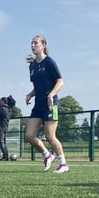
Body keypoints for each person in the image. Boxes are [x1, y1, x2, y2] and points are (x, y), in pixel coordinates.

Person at [24, 35, 68, 173]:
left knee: (50, 136)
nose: (33, 45)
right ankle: (47, 155)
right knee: (29, 136)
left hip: (51, 105)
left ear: (43, 45)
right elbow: (38, 86)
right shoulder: (32, 66)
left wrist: (51, 94)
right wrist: (30, 94)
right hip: (38, 105)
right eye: (31, 43)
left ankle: (63, 164)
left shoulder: (49, 62)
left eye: (36, 43)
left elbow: (60, 81)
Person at [0, 96, 16, 160]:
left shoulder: (3, 109)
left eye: (1, 101)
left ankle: (5, 156)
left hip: (1, 127)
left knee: (1, 142)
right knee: (3, 142)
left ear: (3, 102)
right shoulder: (8, 109)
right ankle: (5, 155)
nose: (0, 102)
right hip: (4, 127)